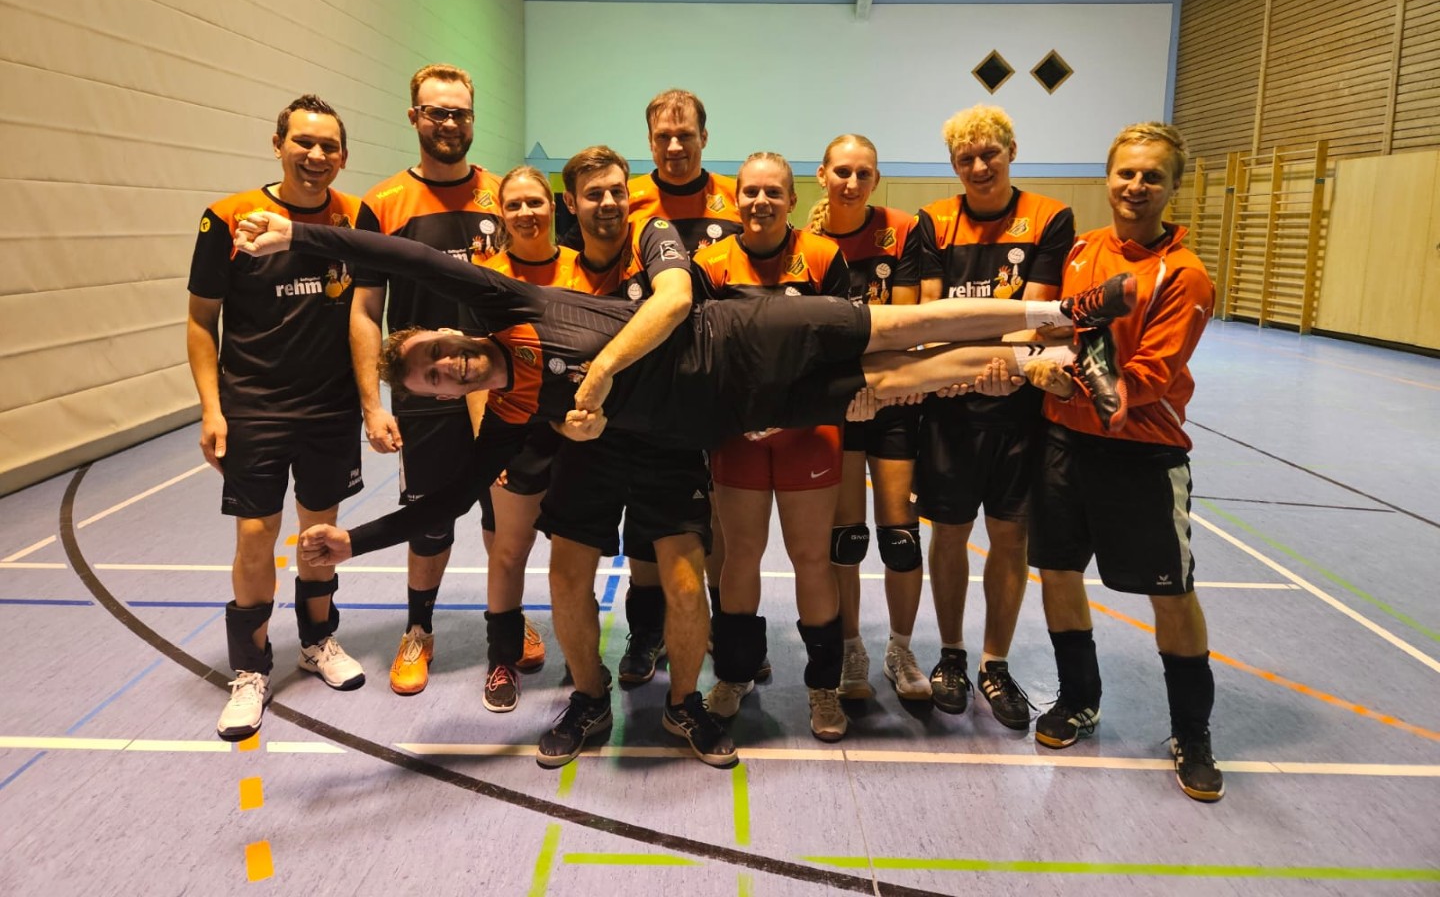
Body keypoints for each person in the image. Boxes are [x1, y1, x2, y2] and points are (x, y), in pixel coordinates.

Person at [233, 213, 1132, 456]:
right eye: (434, 378)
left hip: (746, 332)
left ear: (443, 331)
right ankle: (1056, 355)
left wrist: (303, 236)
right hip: (740, 408)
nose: (445, 366)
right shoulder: (518, 409)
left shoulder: (507, 302)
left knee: (910, 325)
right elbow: (456, 499)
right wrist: (583, 425)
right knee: (905, 377)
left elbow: (400, 255)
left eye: (435, 353)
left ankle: (1065, 316)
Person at [1025, 123, 1224, 802]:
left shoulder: (1184, 274)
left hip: (1142, 451)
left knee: (1171, 592)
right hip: (1063, 443)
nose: (1136, 186)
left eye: (1152, 176)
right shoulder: (1083, 250)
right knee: (1058, 573)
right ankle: (1079, 700)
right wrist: (1037, 360)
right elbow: (1055, 331)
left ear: (1173, 187)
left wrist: (1064, 381)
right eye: (1126, 173)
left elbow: (1148, 378)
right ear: (1108, 178)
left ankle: (1191, 733)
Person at [531, 146, 731, 767]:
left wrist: (601, 373)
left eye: (617, 190)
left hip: (665, 438)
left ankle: (684, 703)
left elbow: (673, 302)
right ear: (571, 203)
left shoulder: (652, 235)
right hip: (589, 446)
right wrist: (564, 420)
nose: (609, 203)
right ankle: (589, 698)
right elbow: (536, 372)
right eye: (594, 194)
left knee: (685, 583)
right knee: (567, 578)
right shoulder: (558, 271)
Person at [347, 64, 543, 698]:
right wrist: (373, 405)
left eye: (459, 112)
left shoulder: (502, 195)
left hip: (500, 386)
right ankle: (419, 629)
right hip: (426, 392)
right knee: (429, 520)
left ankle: (507, 620)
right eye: (437, 112)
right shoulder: (384, 203)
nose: (449, 123)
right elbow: (364, 310)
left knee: (502, 517)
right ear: (415, 117)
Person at [186, 94, 366, 741]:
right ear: (278, 144)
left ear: (343, 156)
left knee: (320, 536)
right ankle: (250, 669)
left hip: (331, 408)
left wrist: (373, 402)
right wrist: (212, 409)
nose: (315, 155)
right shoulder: (228, 218)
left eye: (328, 146)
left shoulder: (356, 216)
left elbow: (366, 311)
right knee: (256, 537)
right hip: (255, 407)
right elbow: (201, 321)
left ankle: (317, 642)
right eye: (303, 142)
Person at [915, 105, 1075, 729]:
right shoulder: (934, 220)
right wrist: (965, 362)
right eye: (966, 158)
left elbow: (1035, 315)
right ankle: (951, 655)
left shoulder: (1049, 217)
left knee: (1010, 538)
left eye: (990, 154)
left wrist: (980, 355)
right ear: (953, 164)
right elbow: (930, 316)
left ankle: (994, 662)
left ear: (1012, 151)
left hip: (1021, 410)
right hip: (951, 407)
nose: (979, 167)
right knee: (949, 533)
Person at [698, 152, 851, 742]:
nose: (760, 202)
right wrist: (737, 412)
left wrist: (791, 410)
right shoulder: (709, 264)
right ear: (735, 198)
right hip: (738, 436)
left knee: (812, 558)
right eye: (751, 191)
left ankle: (823, 686)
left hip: (808, 433)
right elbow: (701, 353)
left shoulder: (823, 257)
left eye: (773, 192)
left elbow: (843, 348)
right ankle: (734, 674)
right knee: (740, 554)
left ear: (792, 199)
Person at [608, 89, 743, 686]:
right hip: (646, 383)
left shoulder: (737, 199)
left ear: (704, 138)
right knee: (645, 516)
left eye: (684, 134)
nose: (673, 145)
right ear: (649, 141)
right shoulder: (628, 199)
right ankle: (647, 632)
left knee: (718, 514)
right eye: (662, 136)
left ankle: (719, 625)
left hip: (720, 381)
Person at [806, 135, 930, 704]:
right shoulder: (808, 244)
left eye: (863, 173)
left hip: (893, 399)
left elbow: (903, 323)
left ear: (876, 179)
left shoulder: (901, 230)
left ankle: (901, 649)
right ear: (822, 176)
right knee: (847, 539)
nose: (852, 182)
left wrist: (879, 388)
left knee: (901, 538)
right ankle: (851, 648)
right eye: (842, 172)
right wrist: (850, 391)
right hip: (840, 403)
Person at [469, 167, 578, 713]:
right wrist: (485, 445)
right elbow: (471, 367)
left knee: (574, 557)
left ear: (552, 206)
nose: (525, 213)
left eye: (534, 202)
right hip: (513, 433)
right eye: (514, 205)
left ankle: (581, 661)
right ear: (501, 213)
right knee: (509, 552)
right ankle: (502, 660)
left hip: (578, 434)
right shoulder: (485, 279)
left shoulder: (582, 268)